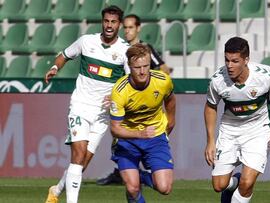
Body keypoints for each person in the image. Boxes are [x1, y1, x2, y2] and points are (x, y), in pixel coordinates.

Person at [44, 5, 129, 203]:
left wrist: (117, 98)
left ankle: (56, 191)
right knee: (78, 153)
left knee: (81, 163)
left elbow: (128, 82)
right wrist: (55, 67)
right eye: (106, 21)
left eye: (113, 22)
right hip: (80, 106)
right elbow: (64, 55)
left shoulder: (124, 51)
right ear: (102, 21)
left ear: (119, 25)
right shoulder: (86, 41)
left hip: (103, 114)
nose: (109, 25)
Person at [204, 37, 270, 203]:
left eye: (235, 61)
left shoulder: (264, 75)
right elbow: (210, 107)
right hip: (229, 130)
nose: (229, 65)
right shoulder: (217, 81)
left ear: (246, 60)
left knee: (247, 182)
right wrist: (210, 141)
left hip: (259, 130)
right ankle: (234, 181)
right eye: (227, 60)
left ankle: (240, 185)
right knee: (219, 185)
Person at [96, 13, 171, 186]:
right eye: (126, 28)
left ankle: (133, 175)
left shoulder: (145, 49)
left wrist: (155, 90)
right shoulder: (120, 49)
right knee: (119, 135)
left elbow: (163, 70)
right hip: (125, 103)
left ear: (138, 28)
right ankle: (122, 172)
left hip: (145, 106)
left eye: (131, 27)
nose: (128, 31)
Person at [110, 43, 176, 202]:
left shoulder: (162, 81)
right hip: (127, 141)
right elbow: (115, 129)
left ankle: (135, 176)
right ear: (129, 66)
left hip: (155, 137)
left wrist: (171, 121)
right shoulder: (120, 91)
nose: (142, 71)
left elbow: (170, 99)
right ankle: (131, 181)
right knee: (132, 189)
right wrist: (140, 134)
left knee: (164, 188)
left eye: (146, 66)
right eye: (137, 67)